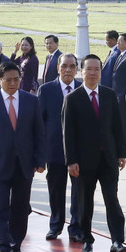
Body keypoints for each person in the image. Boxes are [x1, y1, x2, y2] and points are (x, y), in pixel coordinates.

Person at [0, 61, 46, 252]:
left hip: (24, 164)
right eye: (8, 80)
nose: (13, 83)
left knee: (20, 207)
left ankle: (16, 246)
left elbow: (39, 133)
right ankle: (1, 248)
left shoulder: (31, 101)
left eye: (17, 79)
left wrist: (40, 160)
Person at [62, 54, 126, 252]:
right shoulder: (72, 99)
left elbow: (117, 126)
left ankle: (117, 241)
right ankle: (86, 240)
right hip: (83, 162)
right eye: (88, 69)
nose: (92, 73)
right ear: (81, 72)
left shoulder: (109, 95)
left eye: (96, 69)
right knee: (85, 202)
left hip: (108, 159)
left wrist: (121, 153)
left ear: (101, 72)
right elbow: (67, 133)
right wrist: (71, 161)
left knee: (112, 200)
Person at [37, 53, 81, 240]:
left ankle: (76, 228)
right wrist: (40, 155)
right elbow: (39, 123)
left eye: (72, 66)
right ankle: (55, 225)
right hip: (54, 150)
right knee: (56, 190)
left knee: (79, 191)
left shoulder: (83, 89)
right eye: (64, 66)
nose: (68, 70)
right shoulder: (46, 90)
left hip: (79, 152)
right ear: (58, 68)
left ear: (77, 69)